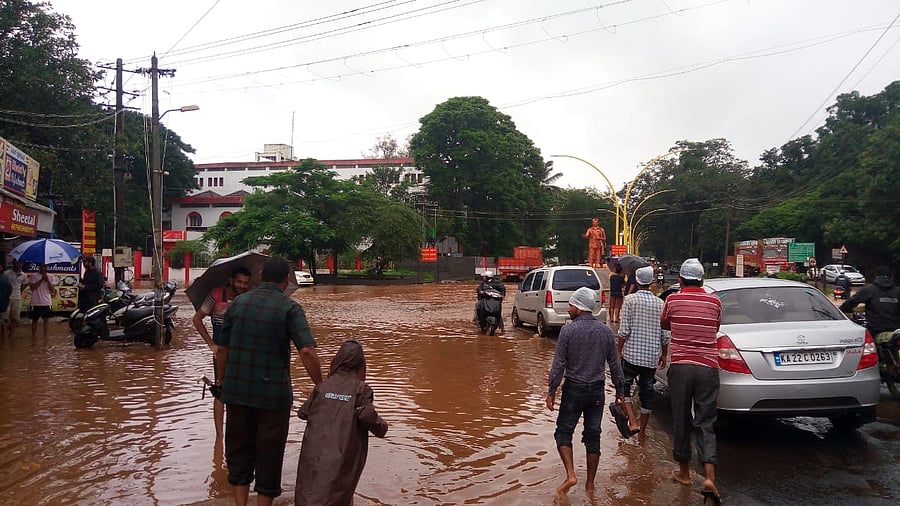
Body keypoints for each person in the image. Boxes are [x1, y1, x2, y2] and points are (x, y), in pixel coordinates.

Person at [216, 256, 323, 506]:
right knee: (270, 455)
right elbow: (307, 351)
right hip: (273, 397)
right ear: (286, 281)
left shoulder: (237, 305)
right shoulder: (290, 308)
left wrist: (222, 382)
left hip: (237, 392)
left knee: (238, 452)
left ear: (260, 277)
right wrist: (321, 386)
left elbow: (222, 350)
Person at [546, 287, 625, 495]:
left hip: (574, 388)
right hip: (597, 391)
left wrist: (551, 390)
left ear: (579, 308)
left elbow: (559, 365)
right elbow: (615, 364)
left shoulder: (567, 331)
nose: (569, 308)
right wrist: (620, 389)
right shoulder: (606, 331)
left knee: (563, 431)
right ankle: (590, 485)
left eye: (571, 305)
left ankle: (571, 475)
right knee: (593, 435)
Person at [294, 339, 389, 506]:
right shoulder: (361, 389)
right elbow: (369, 418)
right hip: (344, 454)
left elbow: (303, 413)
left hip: (315, 454)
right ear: (361, 365)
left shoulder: (322, 387)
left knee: (311, 490)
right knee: (343, 487)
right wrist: (383, 426)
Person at [660, 258, 722, 505]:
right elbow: (716, 327)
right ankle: (709, 477)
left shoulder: (672, 300)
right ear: (703, 280)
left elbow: (665, 323)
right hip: (707, 367)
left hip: (681, 366)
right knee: (706, 422)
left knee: (681, 418)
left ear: (681, 280)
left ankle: (684, 474)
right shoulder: (715, 301)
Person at [192, 266, 252, 440]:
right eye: (240, 282)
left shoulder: (249, 298)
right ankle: (219, 436)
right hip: (221, 351)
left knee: (243, 391)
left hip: (243, 351)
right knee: (220, 391)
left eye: (246, 283)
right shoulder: (216, 295)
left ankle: (238, 432)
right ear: (231, 280)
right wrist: (211, 344)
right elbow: (197, 319)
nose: (243, 286)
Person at [616, 266, 670, 444]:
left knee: (625, 388)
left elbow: (623, 331)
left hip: (631, 355)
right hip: (650, 358)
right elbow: (664, 335)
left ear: (637, 281)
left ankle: (632, 421)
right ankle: (642, 434)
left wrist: (618, 351)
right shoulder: (660, 303)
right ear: (652, 282)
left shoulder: (630, 300)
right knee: (647, 394)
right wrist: (663, 355)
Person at [839, 266, 900, 343]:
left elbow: (851, 302)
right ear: (892, 276)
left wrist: (839, 311)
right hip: (896, 330)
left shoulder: (869, 289)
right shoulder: (898, 291)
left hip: (876, 330)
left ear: (875, 276)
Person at [28, 263, 58, 338]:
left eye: (44, 266)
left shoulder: (51, 276)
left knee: (46, 321)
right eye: (41, 266)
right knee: (34, 320)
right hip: (35, 302)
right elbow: (32, 288)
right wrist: (41, 280)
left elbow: (52, 291)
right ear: (39, 267)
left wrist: (47, 281)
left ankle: (45, 338)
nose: (43, 268)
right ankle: (34, 337)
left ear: (47, 267)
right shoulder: (34, 276)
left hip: (46, 302)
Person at [474, 270, 506, 335]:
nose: (483, 278)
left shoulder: (497, 283)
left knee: (498, 312)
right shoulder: (483, 283)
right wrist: (480, 292)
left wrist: (502, 295)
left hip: (494, 300)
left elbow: (503, 289)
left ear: (488, 277)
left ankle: (502, 328)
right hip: (484, 300)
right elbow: (479, 289)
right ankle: (478, 320)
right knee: (478, 305)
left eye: (484, 276)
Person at [3, 259, 27, 337]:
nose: (18, 265)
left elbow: (23, 286)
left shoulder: (24, 275)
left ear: (22, 264)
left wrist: (18, 293)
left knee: (15, 318)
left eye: (20, 263)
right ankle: (4, 336)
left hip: (17, 298)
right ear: (13, 264)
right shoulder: (6, 274)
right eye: (16, 263)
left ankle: (11, 335)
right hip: (7, 298)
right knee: (5, 318)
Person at [0, 266, 11, 339]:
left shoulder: (5, 278)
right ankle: (4, 340)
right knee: (2, 321)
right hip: (3, 304)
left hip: (2, 303)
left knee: (3, 321)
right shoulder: (6, 278)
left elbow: (9, 291)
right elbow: (10, 291)